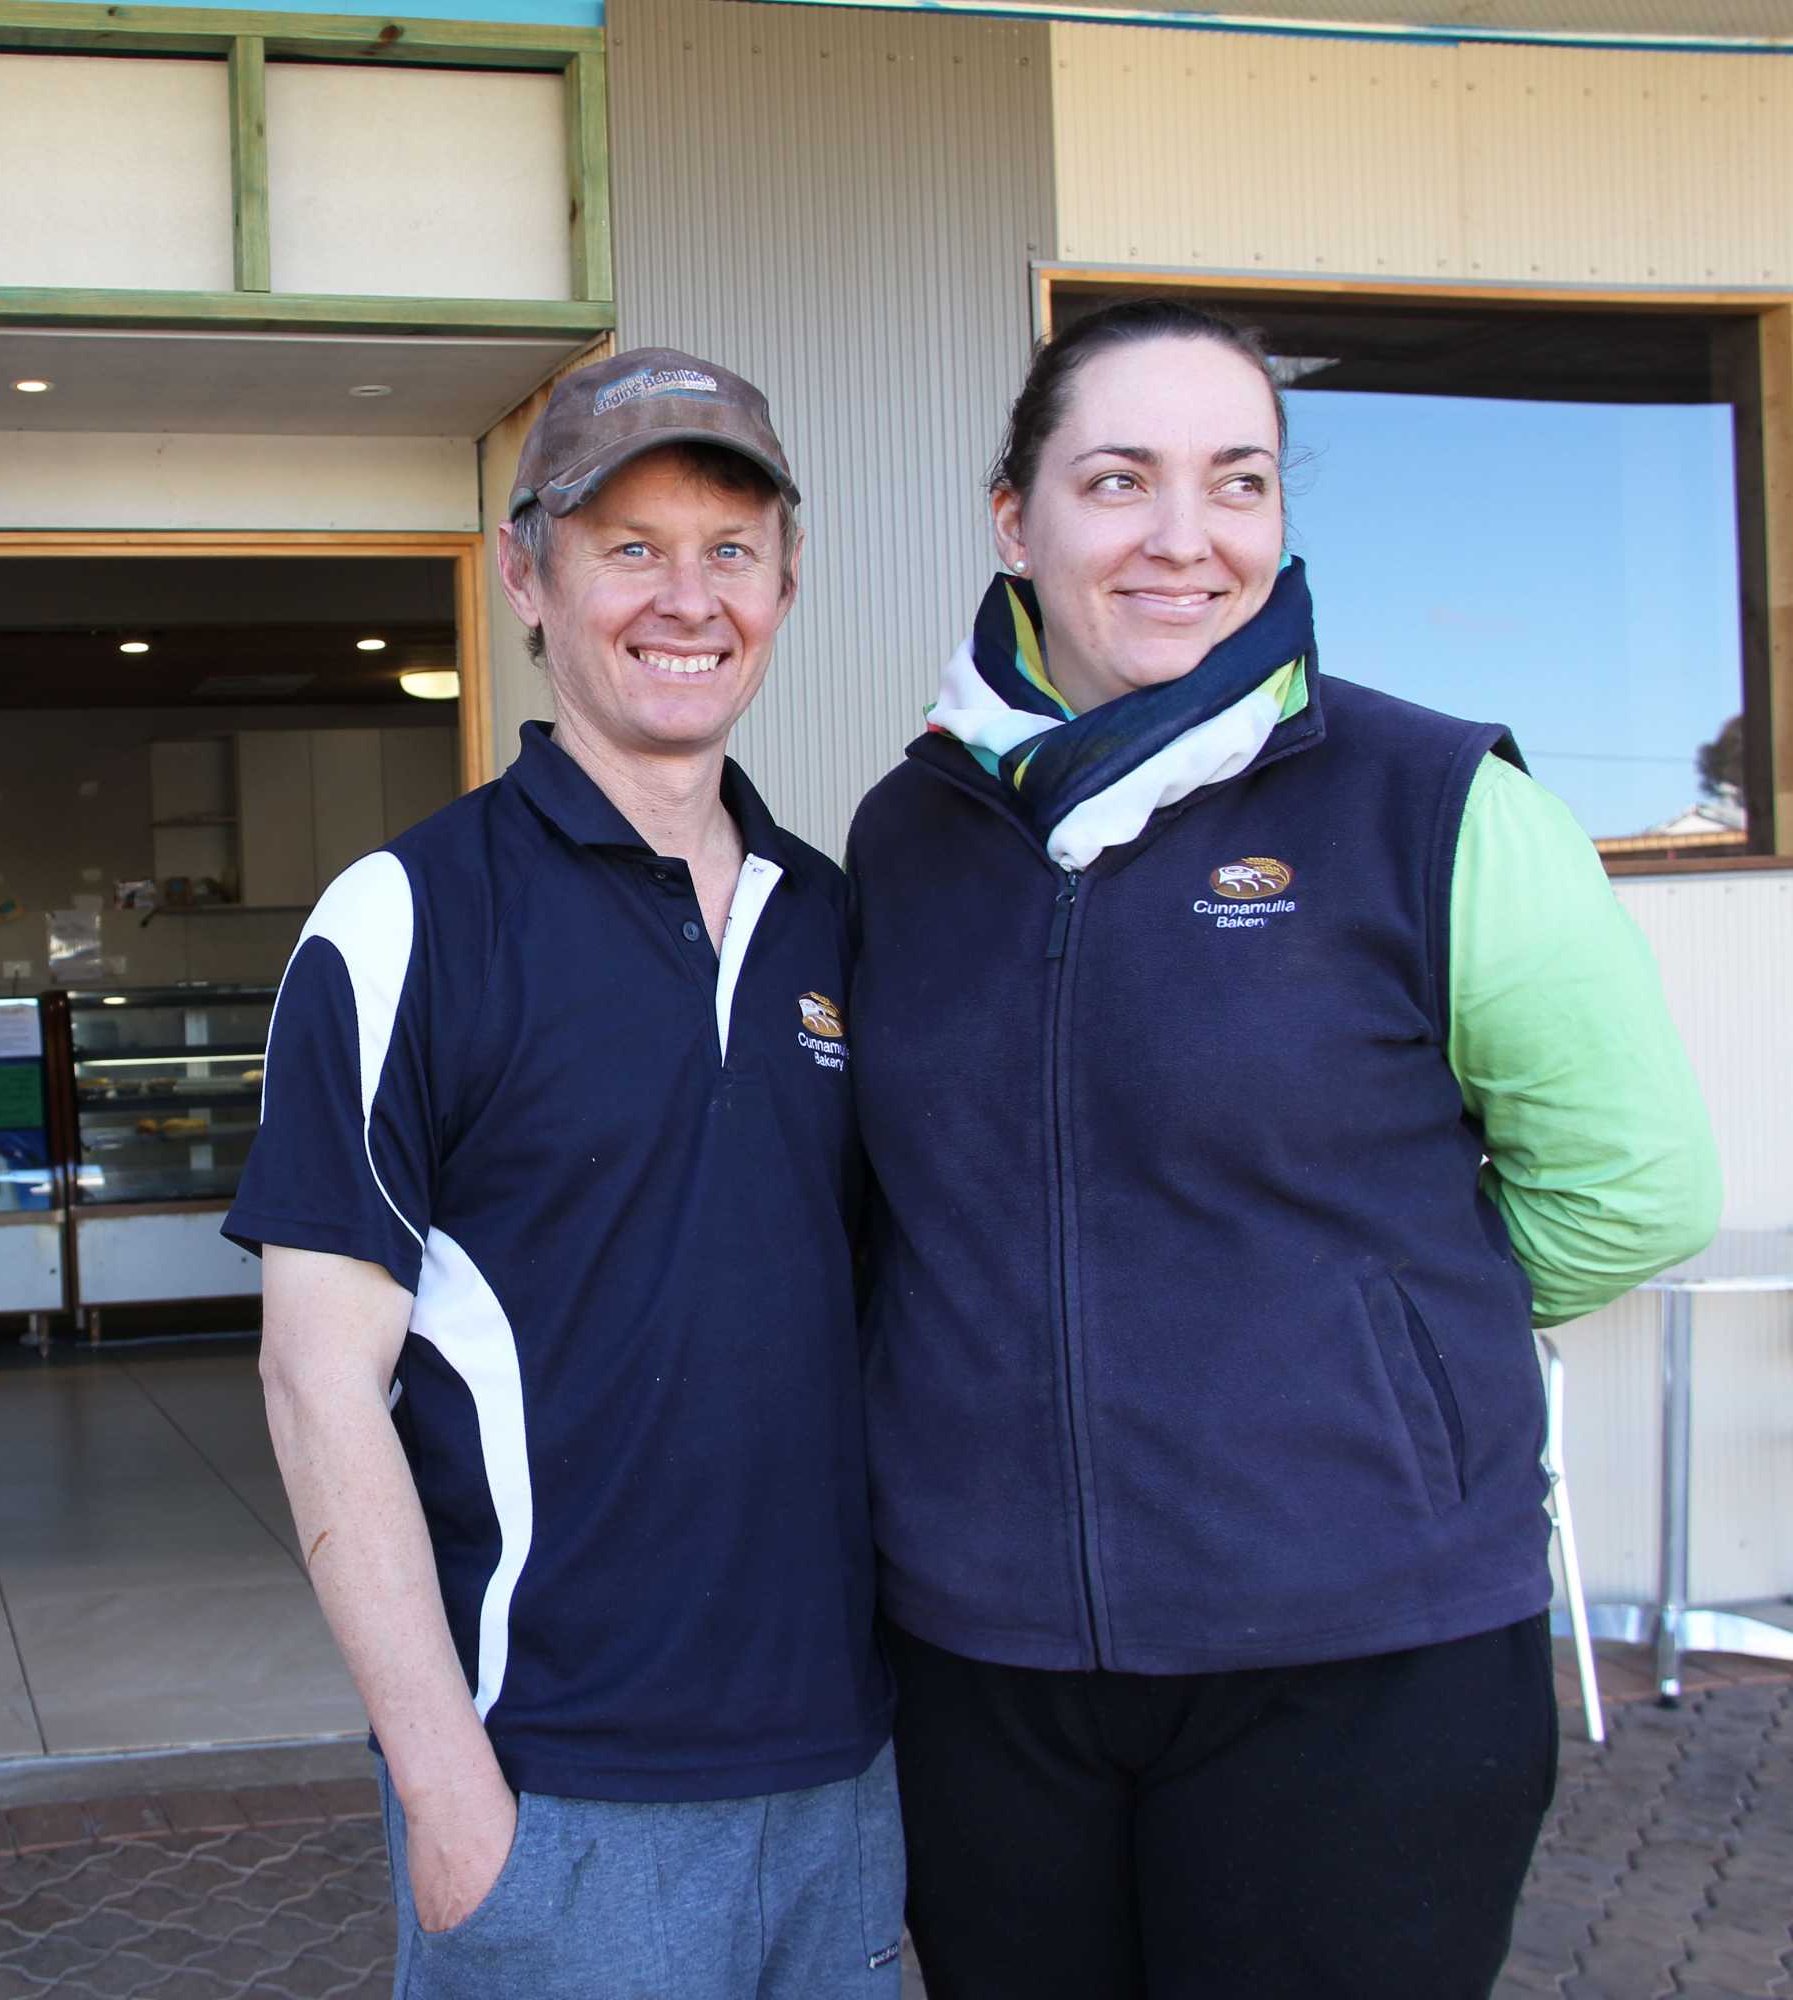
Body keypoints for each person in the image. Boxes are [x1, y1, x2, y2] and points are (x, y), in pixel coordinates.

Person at [844, 298, 1724, 1999]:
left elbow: (1633, 1188)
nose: (1187, 538)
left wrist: (1364, 1335)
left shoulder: (1436, 803)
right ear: (1015, 518)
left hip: (1362, 1664)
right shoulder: (915, 830)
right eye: (1120, 481)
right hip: (988, 1667)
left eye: (1238, 482)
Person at [224, 347, 900, 2000]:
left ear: (788, 584)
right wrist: (450, 1793)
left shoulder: (845, 924)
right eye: (631, 547)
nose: (688, 598)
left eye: (730, 549)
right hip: (560, 1797)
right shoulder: (406, 922)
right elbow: (320, 1383)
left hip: (848, 1782)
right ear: (527, 573)